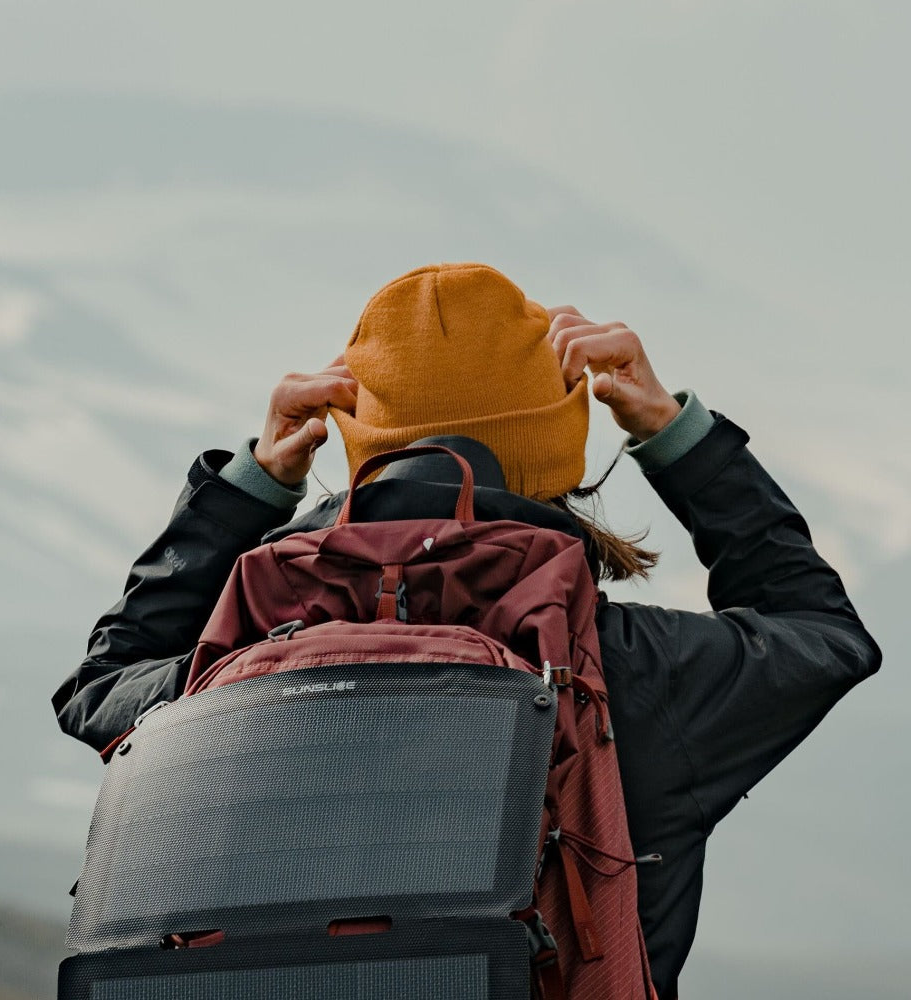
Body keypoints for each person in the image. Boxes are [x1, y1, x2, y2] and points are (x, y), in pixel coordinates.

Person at [53, 262, 881, 1000]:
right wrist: (672, 431)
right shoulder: (632, 671)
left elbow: (104, 680)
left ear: (357, 443)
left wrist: (253, 483)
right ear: (556, 450)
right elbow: (823, 634)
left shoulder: (235, 660)